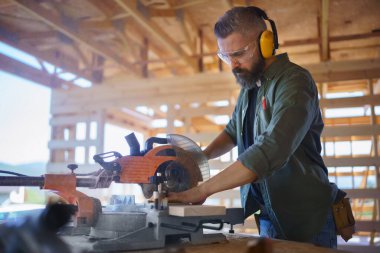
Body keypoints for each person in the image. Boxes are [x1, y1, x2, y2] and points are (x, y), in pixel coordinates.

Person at [168, 6, 339, 248]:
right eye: (226, 56)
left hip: (304, 217)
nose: (233, 65)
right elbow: (232, 132)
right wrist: (199, 158)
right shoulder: (249, 86)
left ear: (266, 43)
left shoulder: (295, 81)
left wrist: (203, 190)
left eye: (238, 53)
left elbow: (271, 149)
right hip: (268, 213)